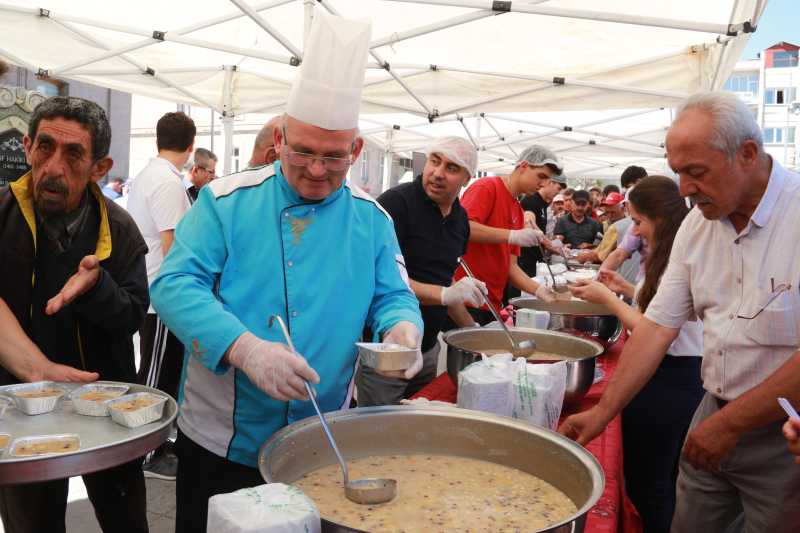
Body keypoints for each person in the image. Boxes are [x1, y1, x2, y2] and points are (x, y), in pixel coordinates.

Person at [149, 12, 423, 533]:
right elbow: (173, 285)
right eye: (302, 152)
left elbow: (394, 295)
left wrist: (403, 329)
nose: (317, 170)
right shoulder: (225, 201)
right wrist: (245, 349)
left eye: (334, 157)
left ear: (357, 150)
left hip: (322, 437)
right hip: (223, 441)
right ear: (279, 137)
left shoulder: (372, 218)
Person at [559, 91, 800, 532]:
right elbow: (655, 328)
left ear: (748, 155)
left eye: (696, 172)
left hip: (784, 436)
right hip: (712, 410)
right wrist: (602, 412)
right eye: (678, 173)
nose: (684, 189)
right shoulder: (696, 225)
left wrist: (730, 423)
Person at [0, 95, 150, 533]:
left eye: (73, 154)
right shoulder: (2, 215)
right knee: (32, 523)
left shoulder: (119, 232)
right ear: (27, 147)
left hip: (104, 406)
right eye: (44, 147)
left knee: (125, 521)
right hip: (23, 409)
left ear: (100, 167)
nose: (53, 167)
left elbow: (133, 318)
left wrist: (97, 288)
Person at [569, 177, 705, 533]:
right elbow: (664, 310)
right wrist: (625, 288)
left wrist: (609, 299)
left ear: (658, 217)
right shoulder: (668, 254)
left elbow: (655, 330)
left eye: (639, 221)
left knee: (650, 486)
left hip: (670, 378)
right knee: (662, 479)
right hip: (674, 375)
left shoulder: (681, 254)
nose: (636, 231)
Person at [356, 136, 487, 406]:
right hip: (388, 348)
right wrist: (446, 294)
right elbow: (383, 280)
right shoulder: (396, 204)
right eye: (434, 161)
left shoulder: (460, 218)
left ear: (467, 178)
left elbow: (446, 276)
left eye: (451, 168)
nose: (437, 173)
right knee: (379, 432)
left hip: (429, 347)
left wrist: (472, 330)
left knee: (418, 426)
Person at [127, 110, 195, 480]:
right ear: (190, 146)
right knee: (154, 377)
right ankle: (147, 455)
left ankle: (152, 446)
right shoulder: (167, 182)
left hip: (154, 293)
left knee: (160, 374)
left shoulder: (151, 174)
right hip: (160, 297)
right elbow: (173, 248)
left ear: (157, 140)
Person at [447, 146, 563, 325]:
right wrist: (512, 235)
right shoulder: (487, 186)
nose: (543, 184)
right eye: (541, 176)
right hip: (466, 299)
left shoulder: (517, 207)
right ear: (523, 167)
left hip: (491, 302)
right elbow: (464, 227)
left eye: (548, 179)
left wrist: (539, 290)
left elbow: (511, 267)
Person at [518, 172, 570, 278]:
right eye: (558, 188)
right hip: (524, 259)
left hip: (535, 260)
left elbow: (540, 238)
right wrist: (551, 243)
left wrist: (557, 249)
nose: (558, 192)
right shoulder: (531, 199)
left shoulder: (543, 204)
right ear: (549, 182)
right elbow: (528, 225)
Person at [576, 192, 626, 264]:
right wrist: (588, 252)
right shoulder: (605, 225)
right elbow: (597, 247)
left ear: (622, 209)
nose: (609, 216)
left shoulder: (631, 224)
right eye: (607, 212)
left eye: (612, 212)